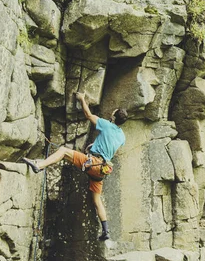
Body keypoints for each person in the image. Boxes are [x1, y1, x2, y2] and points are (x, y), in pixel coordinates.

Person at [22, 93, 128, 241]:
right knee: (97, 200)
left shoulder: (106, 125)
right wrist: (95, 147)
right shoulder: (122, 136)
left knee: (64, 151)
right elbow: (111, 150)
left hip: (93, 163)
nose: (112, 112)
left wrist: (81, 99)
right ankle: (106, 231)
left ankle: (38, 165)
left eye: (114, 112)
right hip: (102, 170)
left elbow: (88, 114)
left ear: (114, 116)